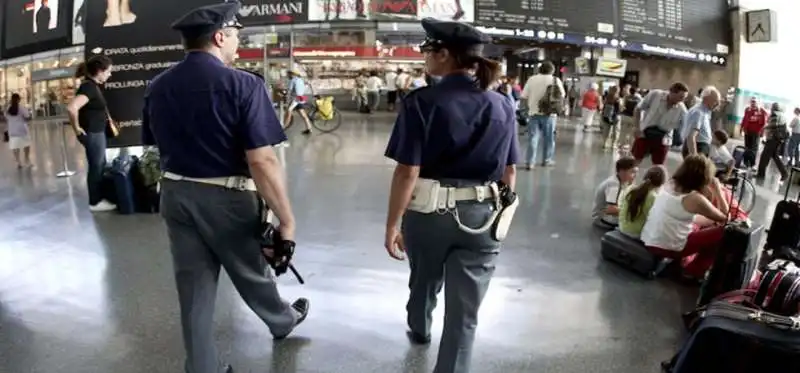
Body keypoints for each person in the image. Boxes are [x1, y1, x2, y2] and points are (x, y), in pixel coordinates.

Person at [142, 3, 309, 373]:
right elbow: (262, 160)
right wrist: (286, 219)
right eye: (236, 35)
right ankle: (282, 321)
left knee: (194, 286)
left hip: (175, 194)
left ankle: (201, 366)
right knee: (251, 271)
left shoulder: (158, 86)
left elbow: (155, 143)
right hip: (228, 197)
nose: (237, 43)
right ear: (220, 37)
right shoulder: (243, 84)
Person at [383, 18, 518, 373]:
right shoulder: (502, 105)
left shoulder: (422, 102)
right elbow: (510, 171)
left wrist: (393, 224)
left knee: (423, 277)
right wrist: (501, 214)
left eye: (428, 50)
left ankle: (420, 326)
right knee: (465, 313)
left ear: (444, 55)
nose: (425, 56)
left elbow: (407, 171)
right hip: (483, 215)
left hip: (428, 213)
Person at [640, 155, 730, 279]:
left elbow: (680, 214)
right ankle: (694, 271)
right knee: (725, 232)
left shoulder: (669, 184)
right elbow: (727, 218)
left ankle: (683, 263)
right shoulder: (696, 199)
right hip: (669, 248)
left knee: (701, 222)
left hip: (649, 240)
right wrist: (718, 190)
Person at [66, 55, 117, 212]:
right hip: (93, 133)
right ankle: (95, 202)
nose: (110, 74)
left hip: (97, 132)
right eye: (108, 71)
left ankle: (98, 198)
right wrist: (77, 129)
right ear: (100, 71)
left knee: (99, 165)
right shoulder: (88, 87)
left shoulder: (93, 86)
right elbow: (72, 108)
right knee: (96, 166)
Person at [520, 61, 565, 169]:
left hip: (533, 113)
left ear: (540, 69)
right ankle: (546, 160)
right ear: (552, 70)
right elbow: (562, 95)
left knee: (533, 138)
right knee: (549, 138)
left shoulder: (532, 79)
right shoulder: (555, 80)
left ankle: (530, 162)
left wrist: (525, 110)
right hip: (550, 114)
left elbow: (524, 96)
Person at [631, 82, 689, 165]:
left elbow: (685, 125)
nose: (682, 100)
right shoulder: (655, 95)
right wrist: (636, 127)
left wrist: (678, 140)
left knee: (658, 167)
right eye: (680, 97)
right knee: (634, 161)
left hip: (664, 138)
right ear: (672, 92)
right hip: (645, 133)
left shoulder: (682, 109)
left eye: (684, 98)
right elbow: (638, 109)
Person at [618, 165, 667, 239]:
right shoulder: (653, 197)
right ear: (661, 184)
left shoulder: (631, 188)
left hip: (622, 227)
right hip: (635, 233)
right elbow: (653, 220)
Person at [592, 156, 638, 229]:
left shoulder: (621, 180)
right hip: (601, 218)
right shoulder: (613, 185)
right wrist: (629, 213)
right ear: (622, 171)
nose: (634, 175)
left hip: (608, 213)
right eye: (631, 172)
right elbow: (610, 210)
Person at [681, 86, 721, 158]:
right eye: (716, 101)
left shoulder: (705, 112)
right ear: (706, 99)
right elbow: (691, 136)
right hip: (697, 148)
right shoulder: (698, 112)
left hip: (701, 147)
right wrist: (694, 158)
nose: (717, 104)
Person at [757, 102, 790, 181]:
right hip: (778, 139)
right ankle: (784, 173)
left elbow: (773, 126)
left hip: (772, 139)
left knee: (764, 157)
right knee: (775, 156)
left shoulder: (774, 114)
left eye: (771, 107)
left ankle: (760, 175)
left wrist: (764, 128)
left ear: (773, 108)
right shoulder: (782, 115)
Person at [4, 93, 33, 168]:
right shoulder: (22, 108)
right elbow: (27, 117)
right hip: (22, 129)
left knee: (15, 146)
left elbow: (6, 118)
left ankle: (18, 162)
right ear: (19, 99)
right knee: (26, 145)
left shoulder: (8, 108)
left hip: (12, 130)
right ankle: (26, 160)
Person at [740, 97, 768, 169]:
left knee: (754, 148)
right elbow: (744, 118)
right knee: (747, 147)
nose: (753, 103)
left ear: (757, 102)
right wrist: (741, 127)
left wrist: (762, 131)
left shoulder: (761, 110)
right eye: (752, 102)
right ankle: (746, 162)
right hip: (747, 131)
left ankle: (752, 164)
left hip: (756, 132)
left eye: (754, 102)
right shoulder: (747, 109)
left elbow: (765, 122)